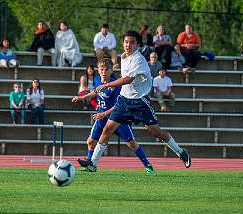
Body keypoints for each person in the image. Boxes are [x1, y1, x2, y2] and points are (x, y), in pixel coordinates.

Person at [78, 30, 191, 172]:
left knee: (156, 133)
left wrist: (107, 84)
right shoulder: (123, 56)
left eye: (132, 42)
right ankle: (93, 164)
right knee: (107, 129)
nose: (128, 45)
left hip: (140, 102)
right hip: (124, 101)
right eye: (126, 42)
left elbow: (128, 79)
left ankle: (181, 152)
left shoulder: (138, 59)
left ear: (137, 44)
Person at [72, 59, 155, 174]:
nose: (104, 71)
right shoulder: (97, 80)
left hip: (118, 118)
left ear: (111, 70)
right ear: (98, 70)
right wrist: (81, 98)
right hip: (102, 117)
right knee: (91, 141)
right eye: (101, 69)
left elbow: (119, 105)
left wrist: (104, 113)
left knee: (131, 143)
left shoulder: (117, 85)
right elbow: (95, 92)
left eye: (107, 69)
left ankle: (147, 165)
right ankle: (90, 165)